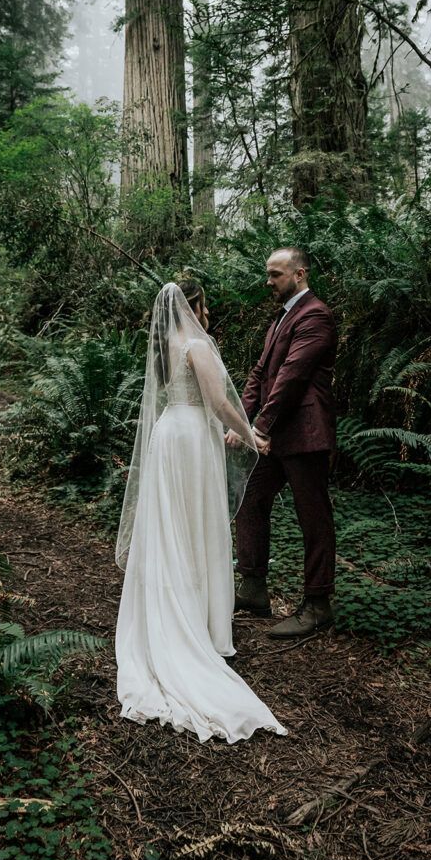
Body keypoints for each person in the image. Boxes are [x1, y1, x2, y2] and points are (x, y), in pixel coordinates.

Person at [114, 280, 287, 743]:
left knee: (173, 527)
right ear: (194, 307)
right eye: (205, 303)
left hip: (169, 434)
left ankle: (175, 608)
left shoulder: (162, 345)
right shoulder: (197, 343)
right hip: (192, 439)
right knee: (196, 526)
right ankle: (200, 625)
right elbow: (219, 403)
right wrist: (252, 435)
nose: (208, 310)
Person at [227, 247, 338, 640]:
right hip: (272, 437)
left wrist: (261, 427)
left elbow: (292, 377)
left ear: (300, 274)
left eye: (276, 274)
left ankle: (318, 604)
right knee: (250, 499)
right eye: (268, 274)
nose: (268, 281)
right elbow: (261, 374)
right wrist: (239, 422)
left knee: (313, 518)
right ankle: (253, 589)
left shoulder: (315, 315)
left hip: (305, 435)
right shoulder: (282, 318)